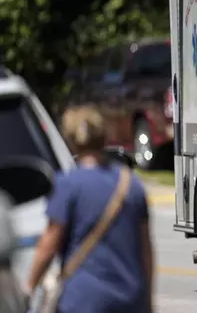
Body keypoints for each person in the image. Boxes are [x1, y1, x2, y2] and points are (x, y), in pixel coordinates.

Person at [25, 106, 154, 313]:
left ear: (72, 140)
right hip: (129, 300)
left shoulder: (68, 185)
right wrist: (147, 301)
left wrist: (29, 287)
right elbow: (146, 251)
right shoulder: (131, 184)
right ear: (104, 138)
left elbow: (49, 244)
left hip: (83, 300)